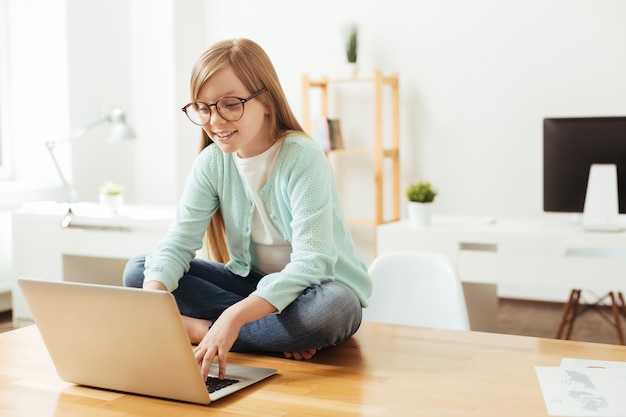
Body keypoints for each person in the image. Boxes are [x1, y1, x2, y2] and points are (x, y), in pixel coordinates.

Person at [123, 38, 372, 381]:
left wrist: (234, 318)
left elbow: (313, 263)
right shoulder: (212, 162)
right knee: (140, 273)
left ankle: (202, 330)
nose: (215, 120)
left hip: (316, 288)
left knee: (332, 310)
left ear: (266, 102)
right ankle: (254, 334)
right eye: (205, 107)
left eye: (230, 104)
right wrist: (151, 308)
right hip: (252, 287)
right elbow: (177, 244)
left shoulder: (303, 158)